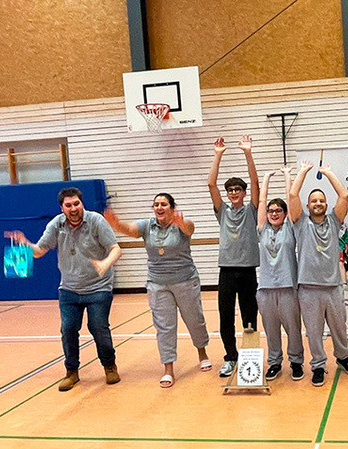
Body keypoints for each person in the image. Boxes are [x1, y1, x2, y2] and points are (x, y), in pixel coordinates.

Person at [6, 187, 122, 392]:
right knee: (68, 329)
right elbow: (39, 251)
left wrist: (105, 264)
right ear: (62, 208)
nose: (73, 208)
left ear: (82, 204)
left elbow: (115, 248)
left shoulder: (96, 221)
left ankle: (109, 366)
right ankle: (71, 371)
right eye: (69, 205)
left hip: (98, 288)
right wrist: (25, 243)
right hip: (69, 289)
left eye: (77, 203)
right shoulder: (56, 224)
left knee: (98, 327)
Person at [103, 193, 211, 388]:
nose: (159, 207)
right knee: (164, 326)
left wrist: (181, 224)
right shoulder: (147, 226)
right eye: (156, 204)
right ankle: (168, 368)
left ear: (172, 208)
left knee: (194, 319)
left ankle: (202, 353)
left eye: (164, 204)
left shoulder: (182, 224)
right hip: (158, 284)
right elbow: (131, 230)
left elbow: (189, 228)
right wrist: (116, 224)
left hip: (185, 281)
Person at [289, 160, 348, 387]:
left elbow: (344, 196)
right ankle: (318, 365)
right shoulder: (300, 223)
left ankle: (343, 357)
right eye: (314, 201)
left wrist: (329, 173)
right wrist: (302, 172)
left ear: (326, 205)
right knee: (314, 332)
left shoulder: (334, 221)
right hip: (309, 289)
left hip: (333, 287)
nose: (317, 203)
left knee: (339, 328)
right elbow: (292, 195)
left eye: (321, 201)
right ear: (308, 206)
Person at [207, 135, 260, 377]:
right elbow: (211, 185)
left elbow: (255, 182)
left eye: (238, 189)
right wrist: (218, 155)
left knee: (249, 317)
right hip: (226, 271)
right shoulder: (223, 212)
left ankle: (250, 359)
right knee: (226, 318)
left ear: (244, 192)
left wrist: (247, 153)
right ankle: (230, 357)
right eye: (230, 190)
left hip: (248, 271)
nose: (234, 193)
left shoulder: (251, 210)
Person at [256, 167, 305, 381]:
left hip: (287, 287)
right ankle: (275, 362)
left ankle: (296, 361)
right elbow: (261, 202)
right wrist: (266, 179)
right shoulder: (262, 229)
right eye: (271, 211)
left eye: (278, 210)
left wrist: (287, 176)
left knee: (293, 329)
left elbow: (291, 197)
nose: (274, 213)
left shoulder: (290, 228)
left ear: (285, 214)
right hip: (266, 290)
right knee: (271, 330)